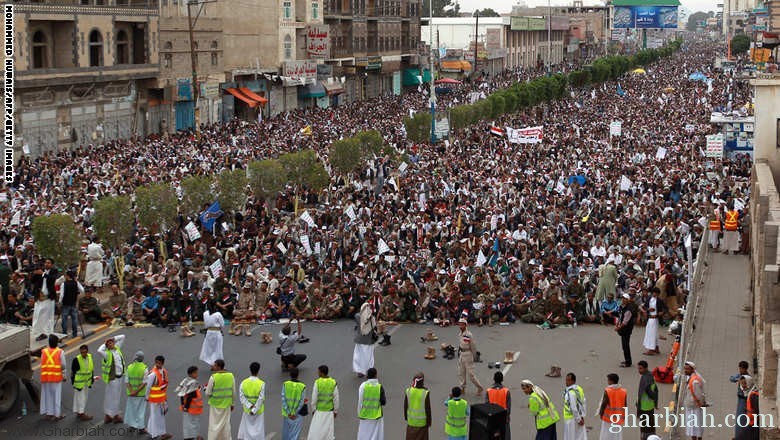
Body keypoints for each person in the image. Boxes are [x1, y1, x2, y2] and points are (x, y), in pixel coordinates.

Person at [98, 334, 126, 424]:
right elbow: (99, 350)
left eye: (112, 342)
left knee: (115, 396)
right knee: (112, 397)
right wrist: (104, 343)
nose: (111, 344)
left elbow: (123, 336)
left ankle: (110, 415)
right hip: (113, 378)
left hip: (119, 377)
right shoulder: (106, 354)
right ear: (107, 346)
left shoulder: (117, 348)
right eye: (109, 343)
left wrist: (113, 338)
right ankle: (113, 415)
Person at [307, 364, 339, 440]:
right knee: (328, 429)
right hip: (329, 410)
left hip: (319, 410)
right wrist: (335, 410)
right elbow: (336, 398)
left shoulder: (317, 382)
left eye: (318, 372)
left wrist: (313, 408)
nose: (317, 373)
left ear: (321, 373)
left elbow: (314, 397)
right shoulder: (333, 382)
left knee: (317, 428)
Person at [206, 359, 235, 440]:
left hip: (215, 405)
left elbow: (208, 393)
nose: (213, 367)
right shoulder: (231, 376)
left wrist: (211, 398)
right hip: (226, 404)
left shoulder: (213, 377)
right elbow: (233, 391)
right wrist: (232, 403)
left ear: (219, 367)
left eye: (214, 365)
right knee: (225, 424)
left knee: (214, 424)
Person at [40, 334, 65, 421]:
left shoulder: (44, 351)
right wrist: (64, 375)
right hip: (56, 377)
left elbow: (42, 362)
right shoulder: (60, 352)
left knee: (48, 395)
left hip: (46, 377)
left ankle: (49, 413)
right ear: (57, 343)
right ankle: (57, 415)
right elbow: (63, 365)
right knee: (56, 396)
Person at [238, 361, 266, 440]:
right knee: (258, 430)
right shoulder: (261, 383)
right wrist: (254, 409)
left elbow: (242, 397)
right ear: (258, 370)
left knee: (248, 430)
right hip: (258, 411)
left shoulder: (243, 383)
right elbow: (261, 399)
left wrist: (250, 406)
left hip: (247, 410)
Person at [146, 355, 171, 440]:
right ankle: (154, 434)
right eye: (156, 362)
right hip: (154, 399)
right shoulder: (153, 374)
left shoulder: (164, 371)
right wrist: (146, 397)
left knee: (160, 416)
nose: (157, 364)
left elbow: (164, 385)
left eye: (159, 363)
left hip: (161, 398)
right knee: (154, 416)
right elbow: (148, 386)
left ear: (163, 363)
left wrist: (165, 398)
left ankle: (159, 432)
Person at [32, 258, 58, 341]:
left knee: (47, 317)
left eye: (49, 263)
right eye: (46, 263)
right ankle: (39, 332)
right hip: (39, 297)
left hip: (48, 298)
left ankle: (47, 333)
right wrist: (35, 273)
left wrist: (42, 273)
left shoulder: (54, 271)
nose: (47, 264)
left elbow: (52, 279)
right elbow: (32, 281)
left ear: (52, 264)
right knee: (38, 315)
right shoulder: (40, 271)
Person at [456, 318, 484, 395]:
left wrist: (474, 356)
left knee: (471, 374)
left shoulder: (468, 335)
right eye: (459, 324)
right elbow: (461, 344)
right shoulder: (460, 334)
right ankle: (462, 388)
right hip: (462, 354)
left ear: (465, 325)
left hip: (468, 354)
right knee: (461, 372)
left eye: (462, 324)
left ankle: (479, 387)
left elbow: (473, 346)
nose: (460, 325)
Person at [357, 367, 386, 440]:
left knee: (364, 433)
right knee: (375, 434)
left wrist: (359, 413)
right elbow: (383, 402)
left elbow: (360, 401)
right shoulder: (379, 387)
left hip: (365, 414)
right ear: (376, 375)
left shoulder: (363, 386)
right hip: (376, 415)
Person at [176, 365, 204, 440]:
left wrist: (183, 405)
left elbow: (181, 393)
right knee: (194, 423)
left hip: (187, 407)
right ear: (191, 374)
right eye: (196, 373)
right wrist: (186, 407)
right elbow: (191, 396)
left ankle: (188, 437)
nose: (197, 374)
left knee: (187, 423)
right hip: (192, 408)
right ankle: (195, 437)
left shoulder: (185, 380)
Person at [69, 343, 95, 421]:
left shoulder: (90, 357)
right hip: (79, 383)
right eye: (81, 352)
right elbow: (72, 372)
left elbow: (91, 369)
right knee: (81, 399)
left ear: (87, 351)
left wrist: (92, 379)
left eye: (84, 352)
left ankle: (78, 412)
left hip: (86, 382)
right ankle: (81, 413)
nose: (83, 353)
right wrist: (73, 382)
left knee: (81, 398)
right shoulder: (76, 360)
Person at [598, 373, 627, 440]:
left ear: (611, 381)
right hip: (618, 417)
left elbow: (604, 404)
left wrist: (601, 413)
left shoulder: (608, 391)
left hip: (608, 417)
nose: (607, 382)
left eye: (608, 380)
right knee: (616, 434)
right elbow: (625, 404)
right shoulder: (623, 391)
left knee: (606, 434)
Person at [125, 350, 148, 434]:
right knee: (141, 411)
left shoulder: (129, 367)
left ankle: (132, 425)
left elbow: (127, 381)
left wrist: (132, 391)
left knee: (131, 410)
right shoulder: (144, 368)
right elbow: (144, 383)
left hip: (131, 394)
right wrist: (137, 391)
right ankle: (141, 428)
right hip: (140, 394)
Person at [683, 361, 707, 440]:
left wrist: (701, 403)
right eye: (685, 369)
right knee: (693, 426)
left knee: (696, 426)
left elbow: (699, 395)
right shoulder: (691, 377)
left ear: (692, 370)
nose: (685, 371)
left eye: (687, 369)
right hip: (692, 406)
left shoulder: (694, 381)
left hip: (694, 407)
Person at [281, 367, 307, 440]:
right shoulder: (302, 386)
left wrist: (289, 412)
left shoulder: (285, 384)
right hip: (297, 415)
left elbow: (283, 399)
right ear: (298, 375)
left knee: (286, 433)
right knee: (295, 434)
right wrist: (295, 413)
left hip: (287, 414)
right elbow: (302, 402)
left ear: (290, 374)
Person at [404, 372, 431, 440]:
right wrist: (429, 422)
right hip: (422, 424)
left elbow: (405, 406)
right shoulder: (425, 393)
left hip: (411, 422)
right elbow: (428, 409)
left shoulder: (408, 391)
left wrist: (406, 417)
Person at [353, 301, 376, 378]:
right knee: (368, 357)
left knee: (358, 356)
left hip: (359, 340)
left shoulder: (357, 316)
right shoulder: (372, 318)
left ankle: (360, 371)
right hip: (369, 341)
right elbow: (374, 326)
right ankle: (369, 371)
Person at [636, 361, 658, 440]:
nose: (639, 370)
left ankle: (645, 438)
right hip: (649, 405)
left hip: (644, 406)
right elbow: (655, 390)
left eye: (641, 369)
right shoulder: (650, 375)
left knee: (645, 425)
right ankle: (652, 437)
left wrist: (638, 403)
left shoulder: (645, 378)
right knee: (650, 423)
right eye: (638, 368)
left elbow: (647, 391)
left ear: (646, 368)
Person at [486, 371, 511, 439]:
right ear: (502, 380)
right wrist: (507, 418)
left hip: (492, 419)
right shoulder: (506, 391)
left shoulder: (489, 391)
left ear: (494, 379)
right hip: (503, 418)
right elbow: (508, 407)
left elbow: (486, 407)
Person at [562, 372, 586, 440]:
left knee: (570, 437)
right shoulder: (579, 389)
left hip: (571, 419)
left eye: (568, 380)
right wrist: (582, 416)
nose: (566, 382)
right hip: (578, 417)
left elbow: (574, 408)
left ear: (573, 381)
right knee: (579, 436)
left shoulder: (571, 393)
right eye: (566, 380)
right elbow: (584, 403)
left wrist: (579, 419)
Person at [730, 361, 750, 440]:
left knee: (742, 419)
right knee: (738, 418)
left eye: (741, 369)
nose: (740, 370)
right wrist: (737, 379)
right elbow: (731, 378)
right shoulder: (740, 376)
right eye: (740, 368)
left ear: (745, 369)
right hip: (740, 399)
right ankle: (738, 436)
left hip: (744, 400)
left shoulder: (747, 378)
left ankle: (741, 437)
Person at [60, 269, 83, 338]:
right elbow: (82, 290)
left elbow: (62, 295)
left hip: (65, 304)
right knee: (74, 319)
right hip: (73, 303)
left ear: (67, 276)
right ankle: (74, 333)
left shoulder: (64, 284)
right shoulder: (76, 283)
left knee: (64, 319)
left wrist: (60, 302)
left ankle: (64, 333)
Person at [615, 294, 637, 367]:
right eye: (622, 298)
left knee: (625, 346)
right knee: (624, 346)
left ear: (628, 300)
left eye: (624, 299)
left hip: (626, 329)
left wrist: (618, 328)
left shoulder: (628, 310)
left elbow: (625, 322)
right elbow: (620, 316)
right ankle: (627, 360)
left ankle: (628, 362)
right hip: (624, 329)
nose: (623, 300)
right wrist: (617, 323)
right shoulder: (623, 307)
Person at [641, 288, 663, 355]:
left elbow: (665, 308)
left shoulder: (659, 300)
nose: (654, 294)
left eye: (656, 293)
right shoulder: (649, 299)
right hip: (650, 318)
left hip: (655, 318)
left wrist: (661, 312)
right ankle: (656, 348)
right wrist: (648, 309)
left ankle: (651, 349)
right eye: (654, 292)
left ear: (658, 294)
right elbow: (644, 307)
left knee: (651, 333)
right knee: (653, 333)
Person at [737, 375, 759, 440]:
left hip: (753, 424)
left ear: (749, 383)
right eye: (742, 384)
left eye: (745, 383)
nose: (743, 386)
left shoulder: (753, 396)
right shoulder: (748, 393)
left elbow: (756, 411)